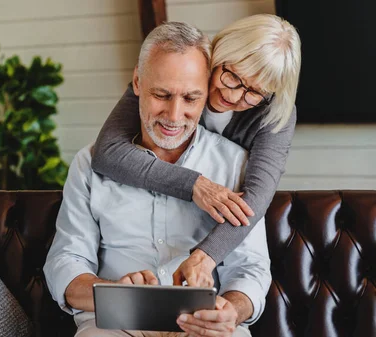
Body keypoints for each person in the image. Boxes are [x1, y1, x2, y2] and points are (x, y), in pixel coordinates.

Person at [44, 22, 271, 337]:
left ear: (208, 93)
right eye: (162, 95)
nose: (174, 116)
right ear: (137, 82)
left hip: (204, 328)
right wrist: (114, 291)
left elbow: (251, 270)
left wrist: (231, 309)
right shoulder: (89, 163)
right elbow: (66, 263)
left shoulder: (235, 164)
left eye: (191, 98)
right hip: (116, 326)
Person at [91, 14, 301, 288]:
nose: (235, 97)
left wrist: (205, 257)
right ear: (219, 53)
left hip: (221, 237)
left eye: (254, 92)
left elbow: (254, 200)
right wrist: (195, 186)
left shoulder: (274, 114)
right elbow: (107, 152)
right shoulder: (176, 78)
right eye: (232, 77)